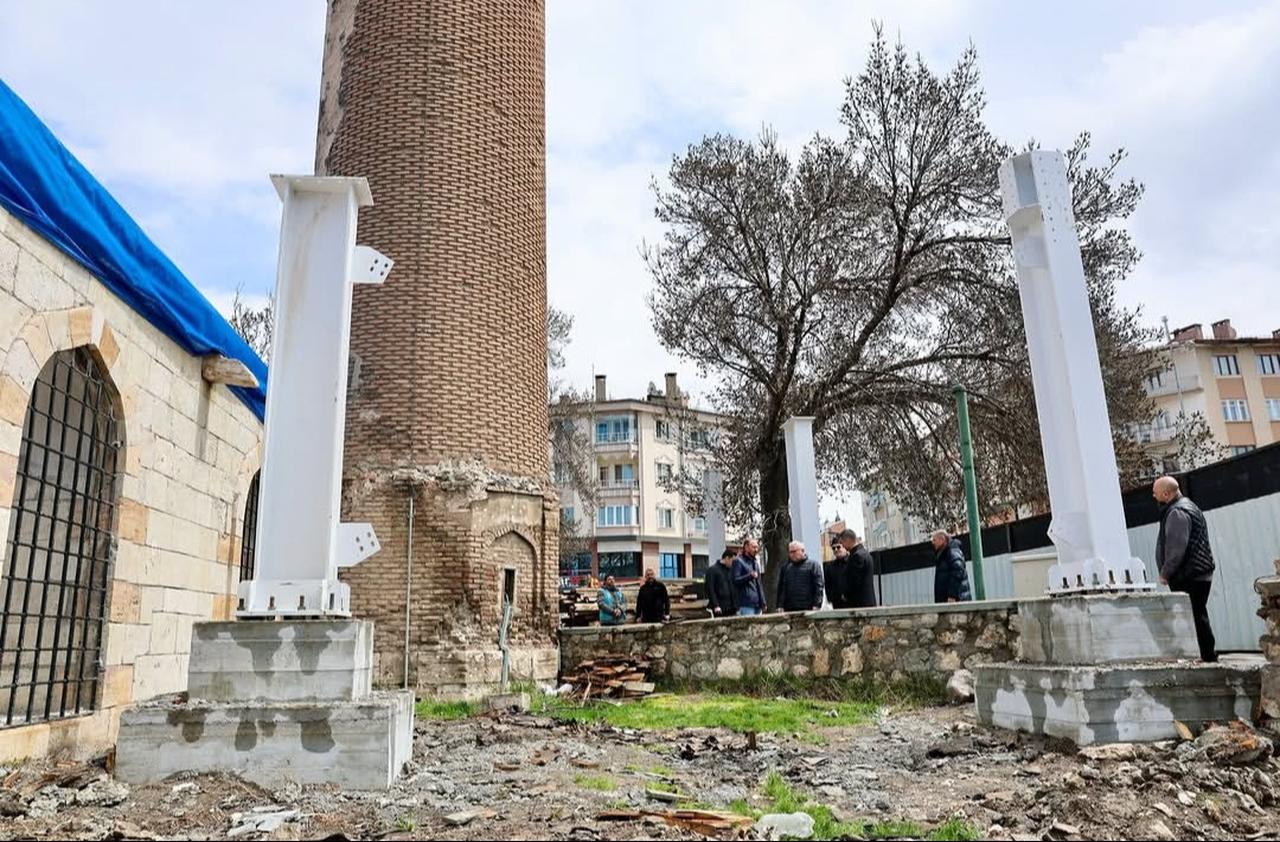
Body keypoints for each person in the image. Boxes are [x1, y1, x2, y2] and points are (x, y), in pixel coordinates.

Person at [1153, 476, 1217, 662]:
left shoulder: (1177, 512)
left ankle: (1208, 656)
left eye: (1156, 493)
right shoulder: (1188, 506)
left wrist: (1165, 573)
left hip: (1190, 574)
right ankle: (1206, 655)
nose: (1153, 496)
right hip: (1197, 571)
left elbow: (1176, 549)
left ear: (1166, 494)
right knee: (1197, 613)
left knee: (1196, 614)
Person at [776, 541, 825, 613]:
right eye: (790, 552)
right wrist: (780, 605)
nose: (792, 554)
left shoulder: (813, 565)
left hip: (808, 607)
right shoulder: (786, 568)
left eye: (794, 551)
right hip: (789, 608)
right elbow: (781, 588)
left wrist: (817, 604)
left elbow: (819, 586)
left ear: (802, 551)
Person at [837, 529, 878, 608]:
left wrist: (845, 595)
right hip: (867, 602)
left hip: (860, 604)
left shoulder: (857, 556)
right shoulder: (865, 553)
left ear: (848, 540)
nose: (843, 546)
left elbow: (854, 581)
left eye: (842, 543)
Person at [931, 530, 972, 604]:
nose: (933, 543)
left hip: (956, 600)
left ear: (942, 539)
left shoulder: (952, 551)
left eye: (934, 540)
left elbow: (958, 571)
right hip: (950, 599)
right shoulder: (945, 553)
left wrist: (952, 595)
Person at [732, 537, 767, 616]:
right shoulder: (738, 561)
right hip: (745, 604)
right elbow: (735, 580)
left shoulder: (755, 563)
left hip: (757, 604)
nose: (756, 550)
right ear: (746, 547)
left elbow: (759, 584)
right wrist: (749, 576)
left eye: (757, 547)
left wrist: (763, 602)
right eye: (753, 547)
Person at [705, 548, 739, 617]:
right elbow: (710, 589)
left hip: (732, 607)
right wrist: (716, 605)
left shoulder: (731, 571)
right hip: (720, 608)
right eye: (732, 561)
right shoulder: (712, 570)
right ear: (727, 558)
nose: (733, 564)